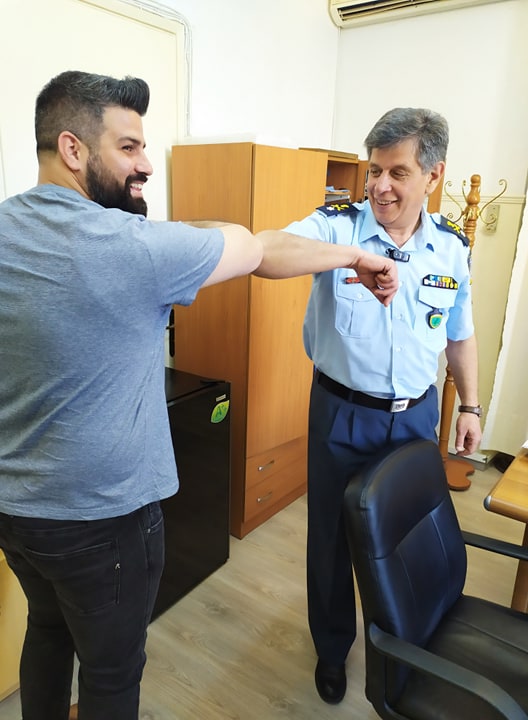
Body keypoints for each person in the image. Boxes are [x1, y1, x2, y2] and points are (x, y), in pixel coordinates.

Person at [0, 70, 399, 720]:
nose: (145, 164)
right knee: (111, 670)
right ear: (72, 148)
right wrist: (354, 257)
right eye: (128, 147)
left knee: (46, 629)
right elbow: (252, 245)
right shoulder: (134, 249)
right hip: (103, 520)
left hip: (17, 511)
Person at [255, 107, 482, 705]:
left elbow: (459, 333)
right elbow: (268, 253)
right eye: (374, 171)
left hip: (416, 417)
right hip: (342, 413)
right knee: (331, 541)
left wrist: (471, 406)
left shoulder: (451, 248)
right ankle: (333, 650)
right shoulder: (338, 228)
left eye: (397, 173)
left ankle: (403, 648)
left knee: (405, 537)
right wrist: (353, 257)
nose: (380, 186)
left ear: (433, 175)